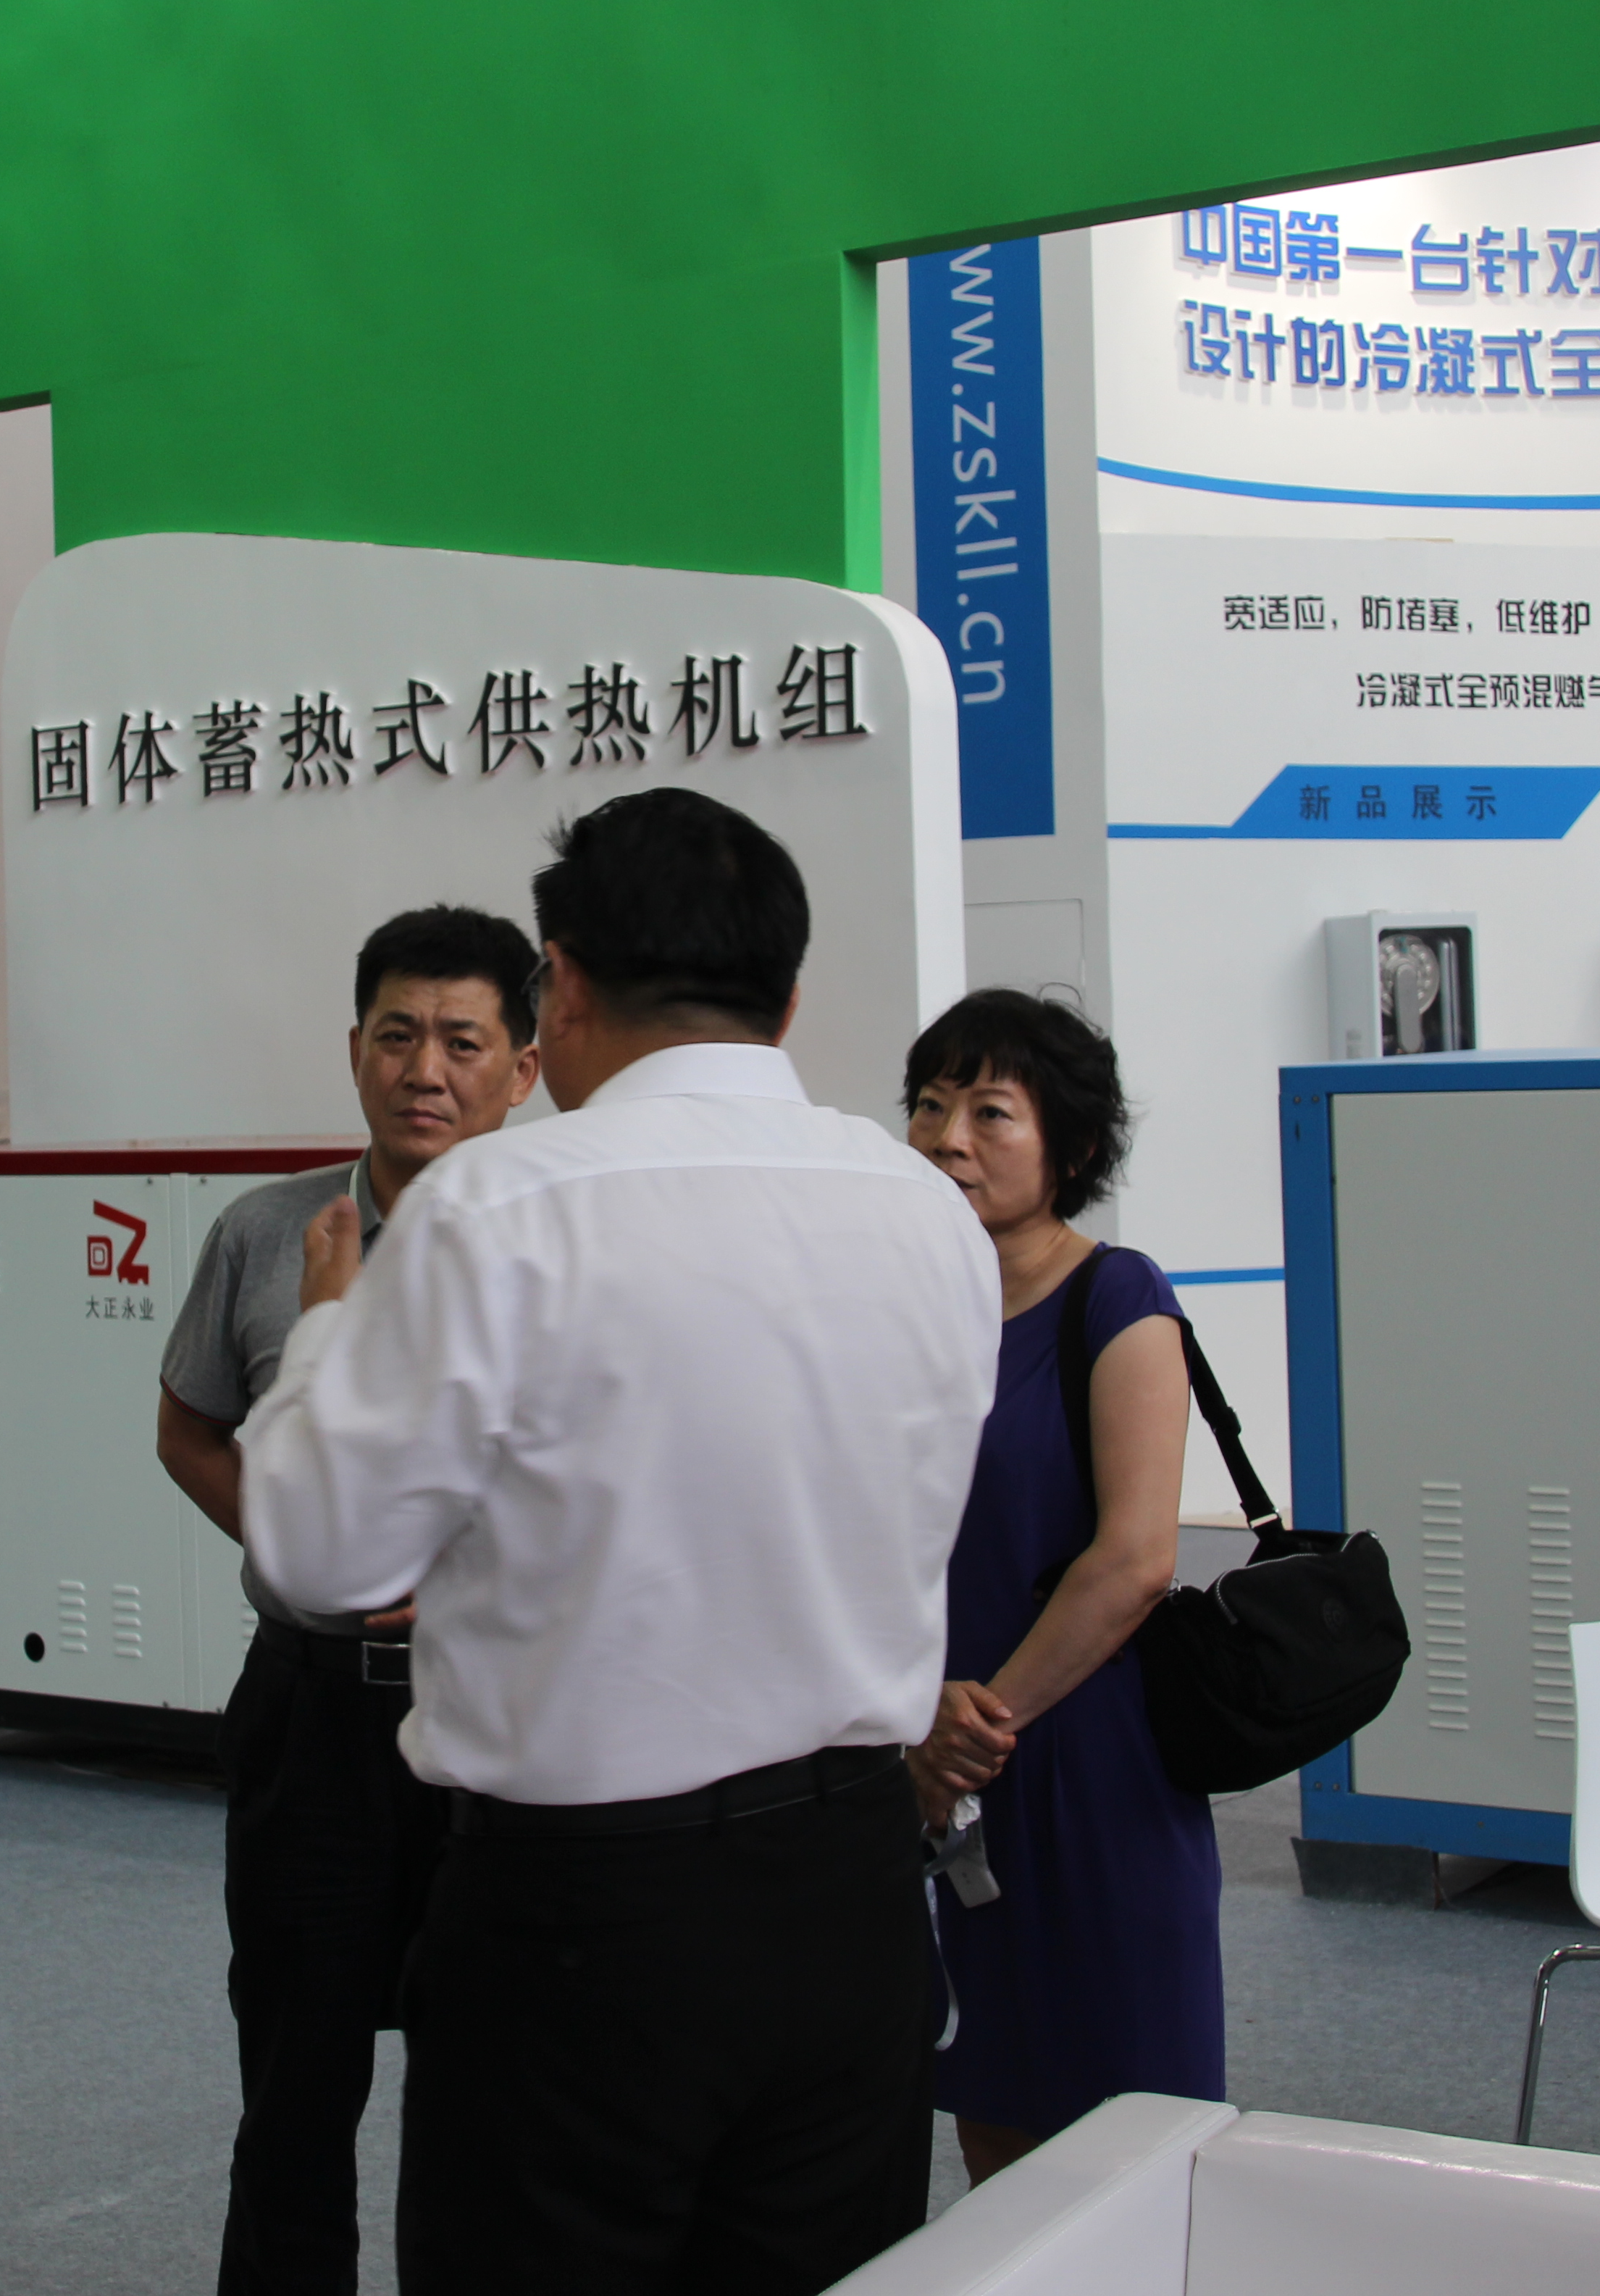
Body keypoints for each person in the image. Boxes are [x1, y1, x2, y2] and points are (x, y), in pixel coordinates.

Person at [240, 788, 999, 2296]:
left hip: (586, 1913)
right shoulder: (922, 1211)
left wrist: (327, 1334)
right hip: (853, 1887)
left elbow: (322, 1556)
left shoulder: (498, 1207)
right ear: (789, 1000)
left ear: (564, 988)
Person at [158, 903, 542, 2296]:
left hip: (498, 1723)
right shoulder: (269, 1232)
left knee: (492, 2097)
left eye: (462, 1042)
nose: (423, 1070)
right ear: (355, 1049)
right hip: (314, 1716)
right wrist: (306, 1544)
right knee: (296, 2087)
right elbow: (189, 1428)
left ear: (525, 1067)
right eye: (397, 1035)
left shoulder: (558, 1246)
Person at [900, 989, 1215, 2182]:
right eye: (930, 1106)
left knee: (1132, 2122)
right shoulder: (908, 1312)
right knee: (993, 2102)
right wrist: (924, 1729)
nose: (949, 1139)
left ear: (1071, 1148)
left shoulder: (1117, 1296)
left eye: (991, 1112)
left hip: (1089, 1761)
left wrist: (976, 1729)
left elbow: (1134, 1561)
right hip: (945, 1768)